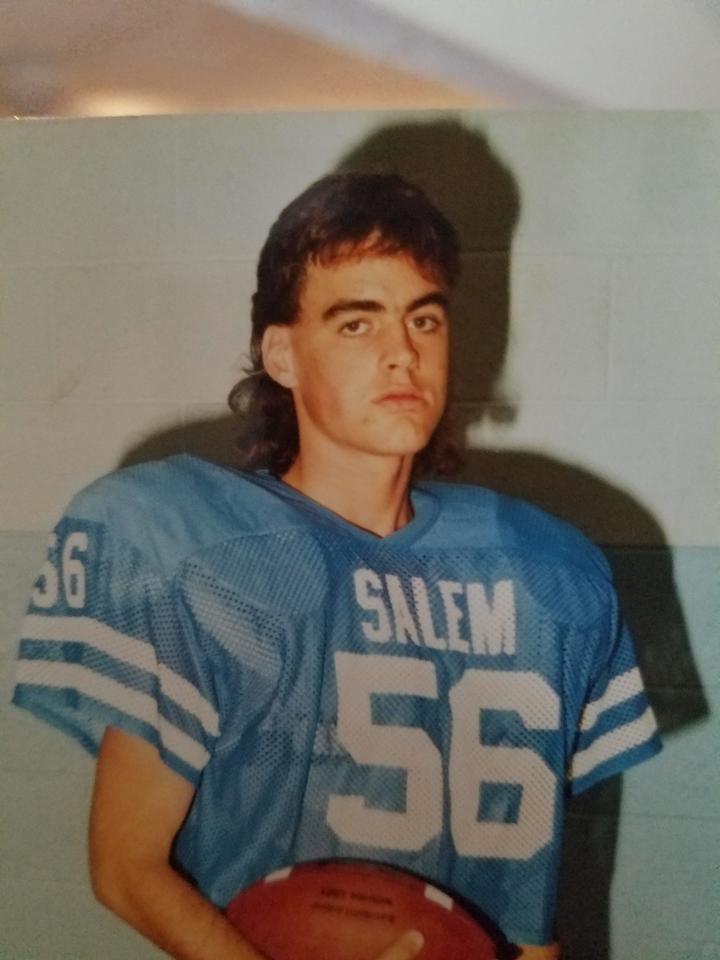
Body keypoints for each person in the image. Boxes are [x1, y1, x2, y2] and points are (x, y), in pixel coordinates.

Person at [13, 173, 661, 959]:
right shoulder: (201, 553)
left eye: (424, 319)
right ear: (282, 353)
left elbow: (529, 909)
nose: (402, 354)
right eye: (358, 324)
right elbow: (125, 867)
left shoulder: (547, 573)